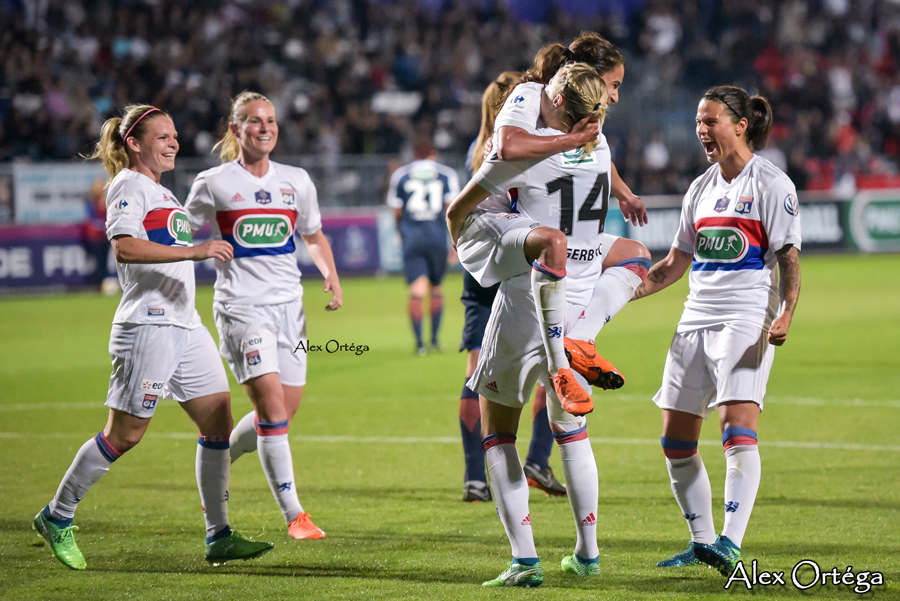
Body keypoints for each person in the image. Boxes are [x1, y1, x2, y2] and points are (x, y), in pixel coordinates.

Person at [33, 105, 274, 570]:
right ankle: (57, 515)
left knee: (219, 422)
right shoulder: (126, 185)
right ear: (134, 143)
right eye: (162, 137)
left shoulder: (162, 192)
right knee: (124, 435)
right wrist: (196, 249)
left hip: (186, 324)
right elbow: (124, 246)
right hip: (149, 325)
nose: (173, 143)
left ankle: (218, 534)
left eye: (175, 136)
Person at [447, 62, 611, 586]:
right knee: (573, 432)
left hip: (529, 293)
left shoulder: (537, 152)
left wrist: (458, 213)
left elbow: (499, 162)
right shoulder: (602, 151)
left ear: (561, 102)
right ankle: (587, 553)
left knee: (498, 430)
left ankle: (525, 560)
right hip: (581, 298)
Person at [632, 86, 801, 575]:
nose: (702, 130)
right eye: (698, 122)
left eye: (711, 121)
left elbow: (788, 256)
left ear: (740, 125)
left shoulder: (771, 184)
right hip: (694, 320)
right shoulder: (700, 188)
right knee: (675, 440)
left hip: (747, 318)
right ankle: (702, 541)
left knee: (736, 430)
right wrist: (621, 293)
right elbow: (674, 263)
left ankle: (731, 541)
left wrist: (787, 310)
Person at [184, 91, 342, 540]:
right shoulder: (213, 183)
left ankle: (218, 462)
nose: (265, 127)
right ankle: (295, 514)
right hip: (241, 309)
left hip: (290, 310)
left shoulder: (296, 180)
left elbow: (312, 234)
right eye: (254, 121)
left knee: (282, 414)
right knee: (272, 411)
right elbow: (179, 232)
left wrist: (330, 273)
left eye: (270, 120)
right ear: (235, 130)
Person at [492, 32, 651, 388]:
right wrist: (570, 140)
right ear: (588, 79)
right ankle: (576, 340)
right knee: (535, 409)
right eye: (613, 84)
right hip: (529, 246)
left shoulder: (588, 126)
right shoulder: (533, 95)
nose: (615, 95)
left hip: (565, 254)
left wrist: (623, 192)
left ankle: (581, 339)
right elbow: (506, 146)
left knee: (635, 256)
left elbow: (594, 156)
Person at [458, 71, 566, 503]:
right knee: (544, 367)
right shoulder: (518, 141)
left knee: (474, 375)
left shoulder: (478, 146)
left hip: (484, 261)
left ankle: (475, 477)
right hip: (518, 254)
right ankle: (538, 458)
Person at [386, 138, 460, 355]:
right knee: (436, 288)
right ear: (433, 153)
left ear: (414, 154)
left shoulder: (401, 174)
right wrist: (455, 242)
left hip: (412, 237)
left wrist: (400, 233)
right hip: (437, 237)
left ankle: (419, 344)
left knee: (417, 290)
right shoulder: (447, 174)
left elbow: (396, 209)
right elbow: (452, 209)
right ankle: (435, 340)